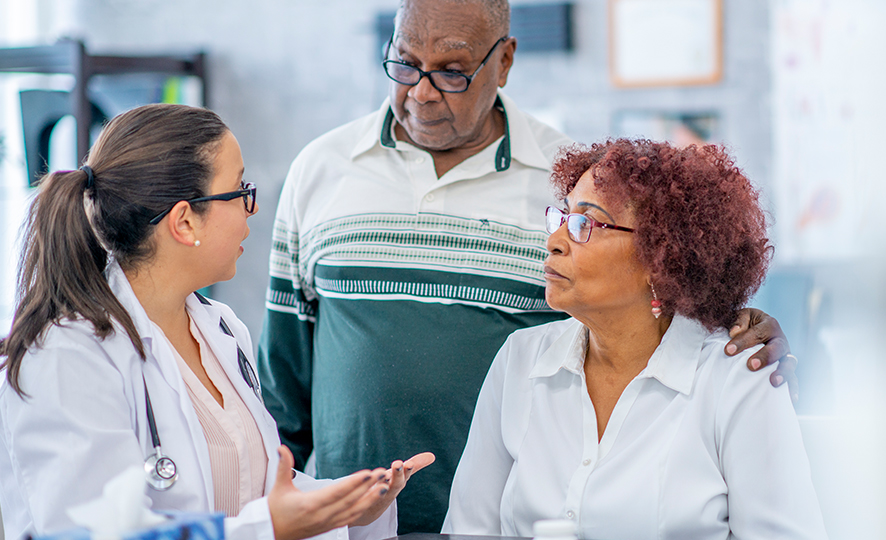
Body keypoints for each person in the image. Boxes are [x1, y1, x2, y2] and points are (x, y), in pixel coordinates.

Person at [258, 0, 796, 533]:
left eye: (450, 72)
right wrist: (269, 515)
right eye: (403, 63)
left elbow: (650, 303)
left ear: (505, 60)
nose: (420, 92)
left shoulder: (566, 175)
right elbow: (282, 383)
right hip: (347, 522)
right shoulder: (319, 170)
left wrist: (730, 322)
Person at [0, 104, 433, 540]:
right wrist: (273, 527)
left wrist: (341, 507)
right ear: (185, 222)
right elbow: (91, 532)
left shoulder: (220, 330)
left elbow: (247, 490)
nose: (252, 207)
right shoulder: (65, 355)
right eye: (239, 189)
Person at [442, 139, 827, 539]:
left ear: (661, 259)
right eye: (561, 217)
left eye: (585, 224)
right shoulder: (518, 360)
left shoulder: (739, 377)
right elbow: (471, 529)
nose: (555, 240)